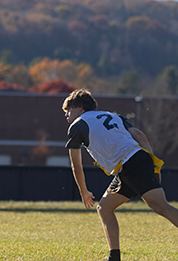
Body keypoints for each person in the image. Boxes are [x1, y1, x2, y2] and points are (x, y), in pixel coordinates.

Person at [62, 89, 178, 261]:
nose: (66, 115)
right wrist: (153, 165)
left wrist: (84, 191)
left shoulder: (77, 126)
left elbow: (76, 165)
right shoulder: (113, 116)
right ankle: (113, 257)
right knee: (105, 208)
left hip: (130, 164)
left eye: (68, 110)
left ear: (79, 108)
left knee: (160, 206)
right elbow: (140, 135)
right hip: (134, 162)